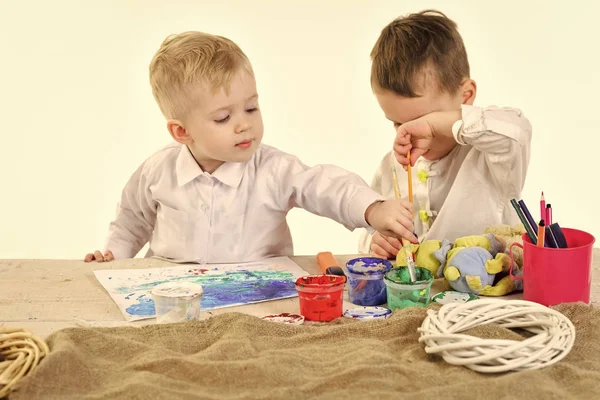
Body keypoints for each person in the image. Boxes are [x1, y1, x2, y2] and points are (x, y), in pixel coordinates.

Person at [85, 31, 416, 263]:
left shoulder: (272, 169)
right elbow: (131, 222)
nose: (243, 124)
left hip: (255, 302)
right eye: (223, 117)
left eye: (251, 108)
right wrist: (115, 256)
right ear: (182, 131)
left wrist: (374, 209)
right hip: (175, 298)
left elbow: (326, 185)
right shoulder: (158, 171)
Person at [358, 10, 532, 259]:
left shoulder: (492, 158)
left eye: (421, 120)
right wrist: (375, 241)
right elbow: (370, 229)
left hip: (493, 295)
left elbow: (516, 130)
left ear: (466, 96)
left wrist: (436, 125)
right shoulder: (391, 167)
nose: (409, 136)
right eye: (396, 123)